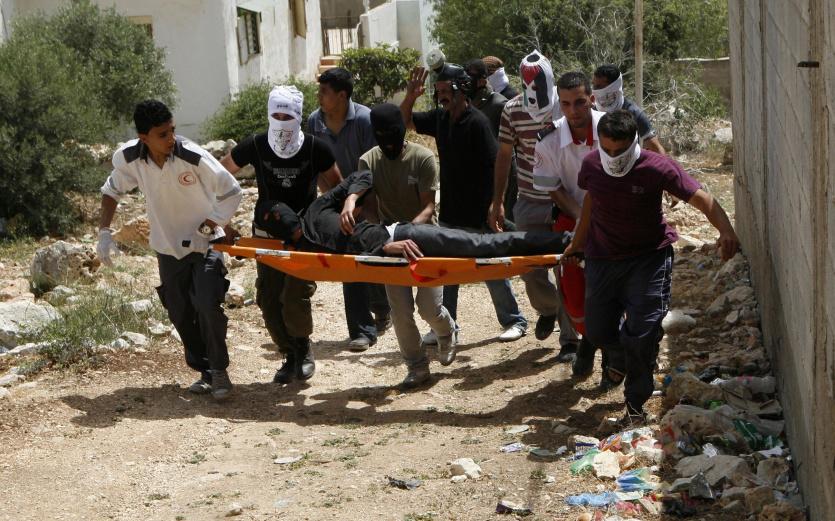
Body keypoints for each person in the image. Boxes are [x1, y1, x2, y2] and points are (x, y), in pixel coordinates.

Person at [563, 109, 739, 423]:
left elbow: (702, 198)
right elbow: (591, 201)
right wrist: (577, 243)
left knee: (641, 332)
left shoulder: (657, 167)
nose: (613, 157)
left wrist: (726, 230)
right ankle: (623, 355)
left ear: (634, 142)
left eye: (620, 150)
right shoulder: (591, 165)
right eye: (607, 150)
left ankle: (635, 404)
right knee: (598, 330)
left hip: (648, 259)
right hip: (602, 257)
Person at [97, 100, 243, 400]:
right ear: (144, 138)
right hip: (167, 247)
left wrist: (211, 225)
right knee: (179, 312)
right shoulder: (131, 159)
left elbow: (231, 191)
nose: (171, 139)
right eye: (162, 134)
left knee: (207, 303)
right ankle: (204, 370)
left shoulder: (192, 156)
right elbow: (111, 190)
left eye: (173, 130)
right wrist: (104, 232)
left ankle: (219, 370)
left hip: (205, 244)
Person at [221, 85, 341, 385]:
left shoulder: (315, 148)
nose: (281, 122)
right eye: (276, 115)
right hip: (266, 233)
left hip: (303, 236)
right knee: (268, 298)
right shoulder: (256, 145)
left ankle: (303, 350)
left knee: (295, 295)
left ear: (298, 116)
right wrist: (223, 220)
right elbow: (221, 174)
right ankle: (288, 353)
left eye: (287, 116)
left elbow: (337, 188)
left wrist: (332, 226)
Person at [400, 64, 528, 343]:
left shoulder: (477, 122)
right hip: (451, 211)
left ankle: (515, 320)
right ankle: (447, 326)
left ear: (461, 90)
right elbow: (404, 122)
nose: (441, 96)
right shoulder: (440, 118)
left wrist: (496, 204)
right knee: (448, 273)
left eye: (446, 90)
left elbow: (497, 164)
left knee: (491, 268)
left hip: (479, 212)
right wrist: (410, 96)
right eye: (438, 91)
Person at [488, 50, 580, 361]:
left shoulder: (566, 107)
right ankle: (548, 308)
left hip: (563, 200)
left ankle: (569, 340)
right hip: (529, 199)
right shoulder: (512, 110)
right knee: (530, 269)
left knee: (566, 269)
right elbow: (504, 156)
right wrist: (498, 201)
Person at [359, 103, 456, 387]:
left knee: (428, 308)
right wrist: (383, 238)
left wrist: (409, 233)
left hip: (426, 240)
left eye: (392, 135)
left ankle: (446, 330)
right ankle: (416, 365)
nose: (388, 143)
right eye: (381, 137)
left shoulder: (423, 157)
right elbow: (369, 209)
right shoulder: (368, 161)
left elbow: (428, 207)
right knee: (401, 313)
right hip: (390, 244)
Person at [307, 67, 391, 352]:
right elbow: (317, 165)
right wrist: (332, 201)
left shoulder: (365, 120)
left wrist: (357, 202)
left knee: (372, 255)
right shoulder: (315, 122)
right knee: (348, 259)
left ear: (342, 96)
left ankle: (382, 307)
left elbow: (373, 166)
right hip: (336, 200)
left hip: (368, 198)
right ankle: (362, 329)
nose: (319, 96)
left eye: (324, 92)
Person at [466, 58, 518, 221]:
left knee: (504, 221)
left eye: (469, 79)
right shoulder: (466, 104)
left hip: (502, 177)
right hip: (479, 176)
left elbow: (512, 147)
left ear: (482, 81)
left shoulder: (499, 105)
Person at [592, 64, 666, 155]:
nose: (595, 91)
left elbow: (655, 148)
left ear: (614, 86)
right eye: (594, 86)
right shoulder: (592, 112)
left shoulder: (633, 113)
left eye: (599, 87)